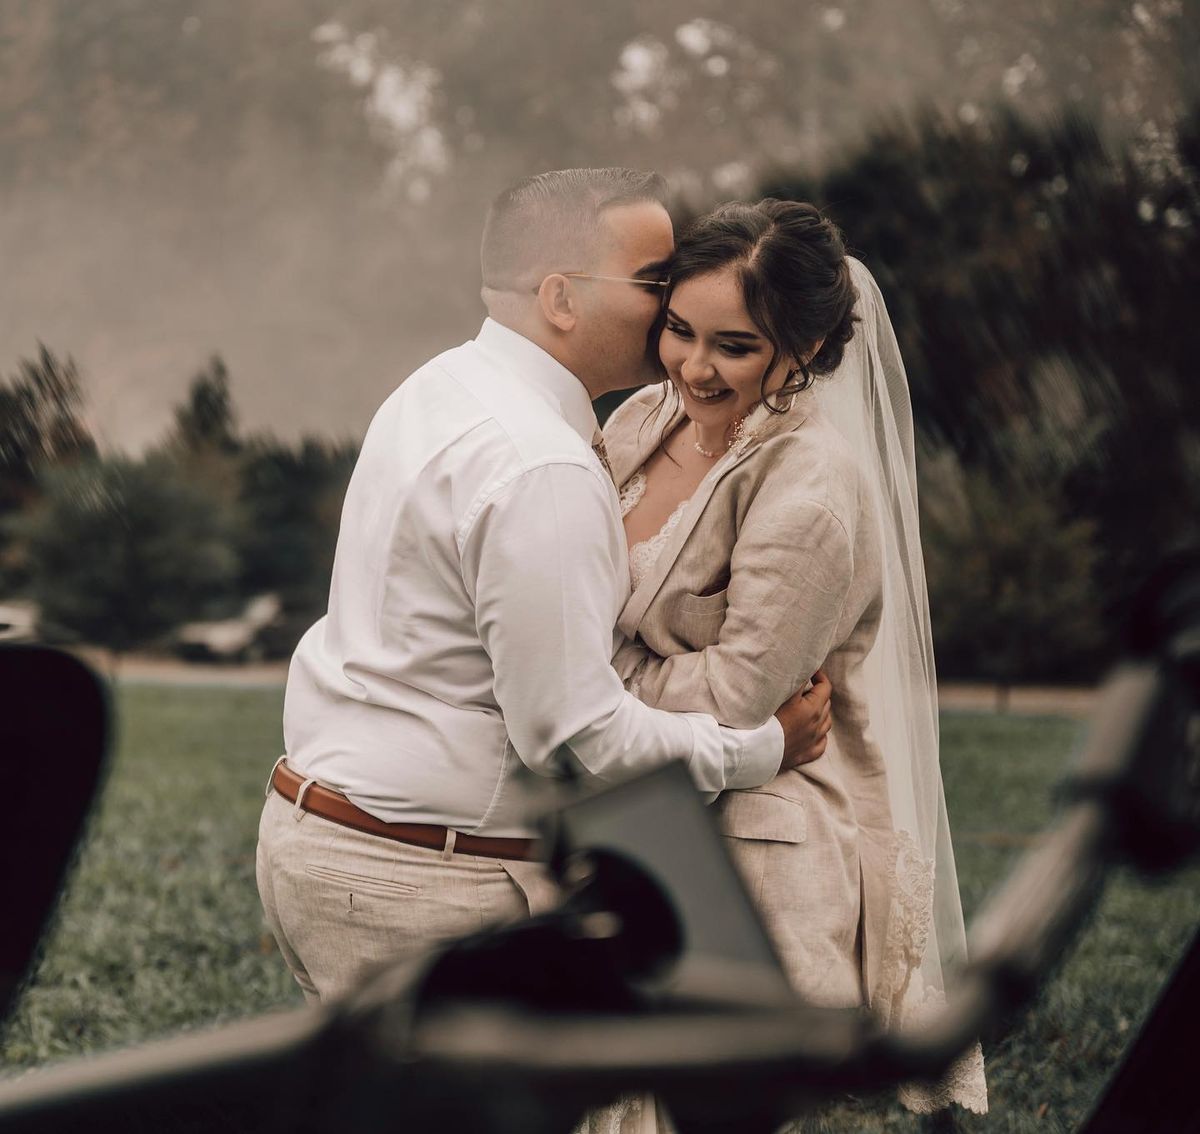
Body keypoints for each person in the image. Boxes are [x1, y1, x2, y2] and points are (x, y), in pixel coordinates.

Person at [255, 169, 834, 1004]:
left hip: (322, 832)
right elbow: (574, 741)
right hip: (417, 876)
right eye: (652, 280)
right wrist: (760, 749)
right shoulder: (540, 464)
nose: (674, 301)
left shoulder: (440, 385)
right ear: (561, 298)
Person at [601, 199, 988, 1117]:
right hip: (633, 816)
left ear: (806, 349)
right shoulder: (640, 420)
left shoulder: (813, 491)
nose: (694, 366)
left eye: (733, 346)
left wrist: (592, 680)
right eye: (680, 332)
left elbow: (739, 691)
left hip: (749, 851)